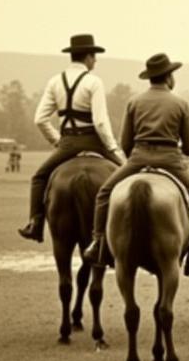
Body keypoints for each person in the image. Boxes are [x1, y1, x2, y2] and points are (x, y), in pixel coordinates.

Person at [82, 53, 189, 276]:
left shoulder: (134, 102)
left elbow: (125, 143)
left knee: (104, 193)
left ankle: (97, 245)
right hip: (171, 161)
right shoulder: (180, 103)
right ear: (169, 77)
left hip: (138, 158)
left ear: (150, 77)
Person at [18, 34, 124, 242]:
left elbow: (40, 119)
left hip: (66, 144)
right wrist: (112, 148)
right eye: (94, 56)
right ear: (87, 57)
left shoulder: (55, 81)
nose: (95, 60)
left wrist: (57, 141)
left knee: (39, 177)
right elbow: (101, 122)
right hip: (94, 142)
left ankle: (35, 223)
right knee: (126, 175)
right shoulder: (94, 82)